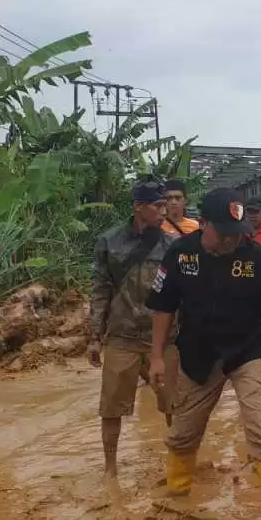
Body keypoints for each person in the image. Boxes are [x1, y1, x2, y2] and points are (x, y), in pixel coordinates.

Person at [146, 188, 261, 520]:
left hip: (250, 349)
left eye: (238, 232)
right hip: (199, 352)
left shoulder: (259, 260)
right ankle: (178, 496)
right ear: (202, 225)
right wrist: (157, 357)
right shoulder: (180, 254)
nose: (233, 240)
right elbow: (163, 308)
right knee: (183, 431)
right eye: (224, 232)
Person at [89, 179, 180, 479]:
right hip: (122, 335)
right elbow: (100, 290)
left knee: (173, 404)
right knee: (112, 406)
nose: (164, 211)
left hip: (164, 339)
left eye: (166, 205)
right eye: (157, 206)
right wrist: (94, 337)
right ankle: (110, 468)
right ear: (138, 206)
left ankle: (177, 461)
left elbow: (183, 295)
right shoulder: (109, 242)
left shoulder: (172, 245)